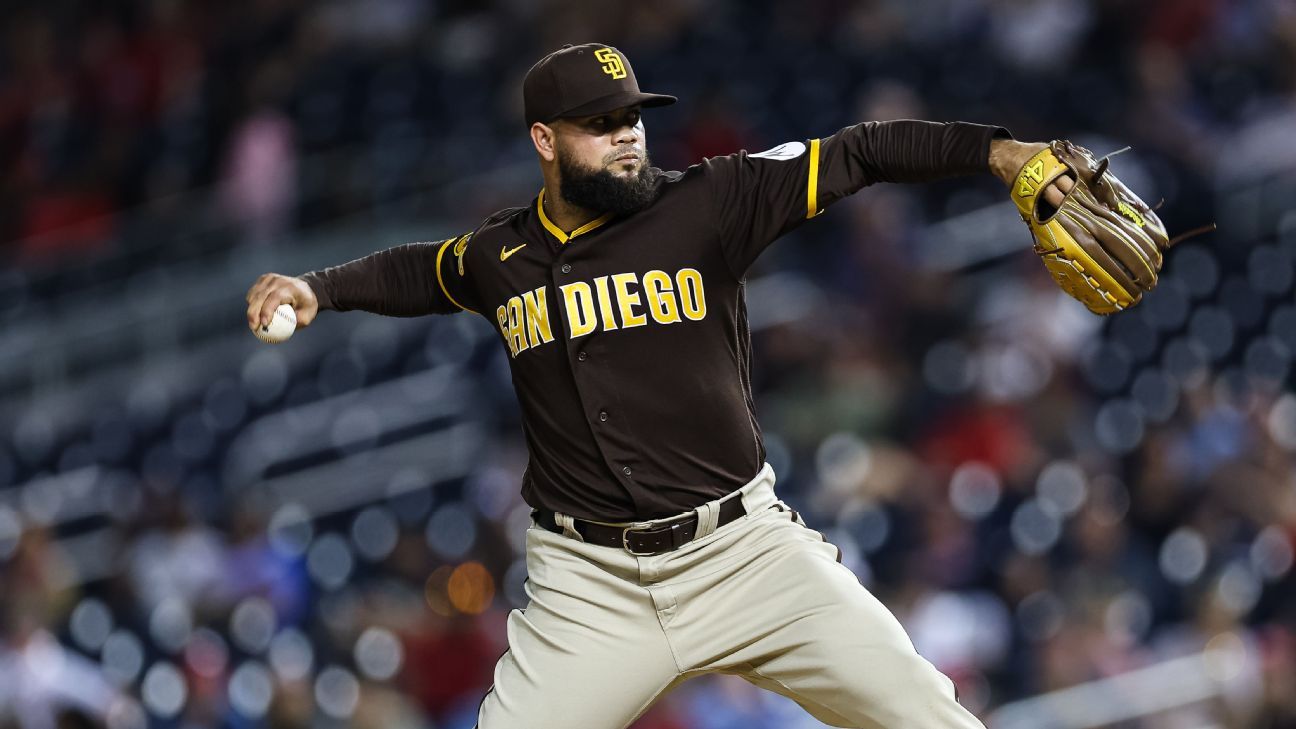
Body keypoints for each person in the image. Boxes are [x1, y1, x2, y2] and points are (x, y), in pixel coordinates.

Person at [246, 43, 1074, 729]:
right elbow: (421, 270)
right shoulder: (502, 256)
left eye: (634, 117)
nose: (628, 136)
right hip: (591, 585)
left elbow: (858, 152)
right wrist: (320, 287)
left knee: (932, 718)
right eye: (601, 124)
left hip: (745, 552)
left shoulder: (712, 201)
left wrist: (997, 151)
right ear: (545, 140)